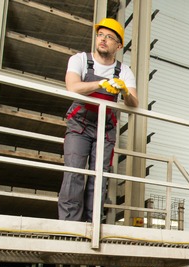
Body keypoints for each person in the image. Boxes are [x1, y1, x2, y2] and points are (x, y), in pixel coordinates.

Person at [58, 18, 138, 222]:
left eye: (110, 37)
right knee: (74, 172)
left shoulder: (124, 71)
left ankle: (93, 224)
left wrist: (124, 92)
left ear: (118, 46)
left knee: (99, 177)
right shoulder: (80, 60)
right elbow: (73, 87)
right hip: (79, 126)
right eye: (100, 34)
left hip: (106, 129)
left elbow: (134, 102)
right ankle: (69, 225)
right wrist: (103, 83)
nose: (103, 39)